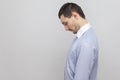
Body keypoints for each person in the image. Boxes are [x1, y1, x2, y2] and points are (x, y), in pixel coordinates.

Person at [58, 2, 99, 80]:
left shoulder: (86, 43)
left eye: (65, 23)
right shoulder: (82, 37)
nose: (65, 29)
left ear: (75, 15)